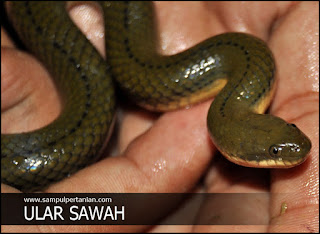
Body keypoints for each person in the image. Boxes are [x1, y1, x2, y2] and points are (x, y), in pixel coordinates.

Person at [1, 1, 318, 232]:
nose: (293, 151)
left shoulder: (250, 69)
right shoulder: (249, 69)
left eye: (280, 142)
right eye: (275, 154)